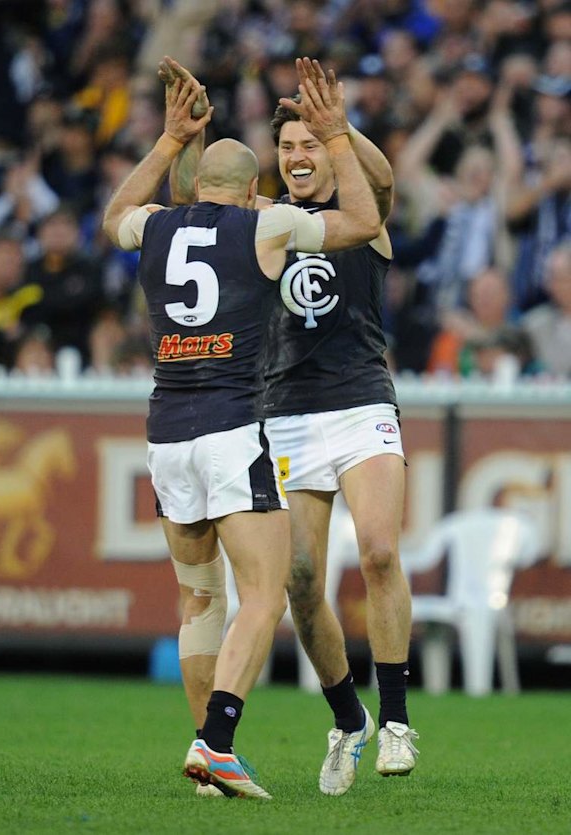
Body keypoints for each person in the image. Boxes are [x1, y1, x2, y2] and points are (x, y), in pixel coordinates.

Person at [103, 63, 381, 800]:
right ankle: (217, 743)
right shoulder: (266, 225)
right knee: (263, 595)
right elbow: (363, 223)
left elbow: (112, 216)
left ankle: (203, 759)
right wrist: (334, 138)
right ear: (252, 187)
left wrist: (166, 142)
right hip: (232, 427)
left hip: (167, 434)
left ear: (195, 185)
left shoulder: (156, 225)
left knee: (200, 599)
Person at [166, 55, 419, 799]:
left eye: (309, 145)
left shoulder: (361, 219)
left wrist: (338, 127)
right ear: (273, 163)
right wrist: (187, 137)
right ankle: (349, 719)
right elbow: (193, 200)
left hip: (362, 401)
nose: (298, 156)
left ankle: (399, 720)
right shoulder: (263, 224)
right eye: (287, 148)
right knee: (303, 583)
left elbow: (382, 183)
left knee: (377, 550)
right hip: (286, 413)